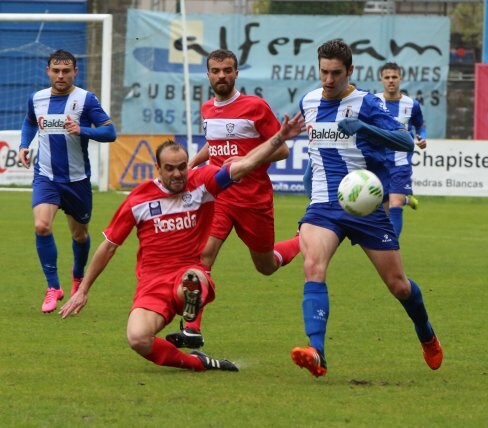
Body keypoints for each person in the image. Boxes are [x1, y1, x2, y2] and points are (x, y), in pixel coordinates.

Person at [58, 113, 305, 373]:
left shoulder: (203, 184)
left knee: (193, 280)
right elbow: (108, 246)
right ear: (157, 168)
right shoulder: (138, 200)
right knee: (138, 339)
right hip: (151, 285)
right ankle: (197, 363)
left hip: (188, 273)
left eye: (182, 167)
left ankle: (191, 305)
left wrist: (279, 137)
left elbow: (244, 166)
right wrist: (83, 289)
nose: (178, 174)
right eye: (170, 168)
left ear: (189, 164)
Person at [291, 40, 443, 378]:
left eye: (336, 73)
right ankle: (317, 351)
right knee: (313, 265)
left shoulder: (368, 103)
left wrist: (363, 128)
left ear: (350, 72)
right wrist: (310, 199)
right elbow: (315, 157)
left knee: (399, 286)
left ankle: (426, 333)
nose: (328, 80)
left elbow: (405, 143)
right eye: (324, 72)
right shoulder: (308, 102)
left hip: (366, 208)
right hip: (324, 206)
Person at [166, 49, 300, 348]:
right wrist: (191, 164)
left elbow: (281, 149)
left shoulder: (255, 107)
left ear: (236, 73)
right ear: (209, 74)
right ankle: (192, 329)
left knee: (265, 266)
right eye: (216, 70)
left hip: (254, 200)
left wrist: (246, 158)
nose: (222, 75)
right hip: (218, 196)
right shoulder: (207, 109)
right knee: (202, 256)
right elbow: (213, 146)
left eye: (227, 70)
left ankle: (303, 240)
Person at [18, 49, 117, 314]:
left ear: (75, 71)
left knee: (80, 234)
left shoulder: (86, 99)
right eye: (56, 70)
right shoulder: (36, 99)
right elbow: (30, 122)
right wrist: (24, 145)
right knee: (41, 226)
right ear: (48, 71)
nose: (60, 75)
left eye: (66, 71)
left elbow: (110, 132)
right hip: (46, 177)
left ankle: (77, 277)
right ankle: (53, 287)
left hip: (77, 181)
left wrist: (82, 129)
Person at [376, 62, 427, 238]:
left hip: (401, 162)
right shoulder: (373, 102)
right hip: (378, 162)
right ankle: (406, 199)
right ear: (381, 79)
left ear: (400, 79)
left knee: (394, 203)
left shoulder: (412, 104)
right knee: (384, 207)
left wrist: (422, 137)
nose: (391, 81)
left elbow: (420, 126)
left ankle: (391, 246)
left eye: (394, 77)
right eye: (387, 77)